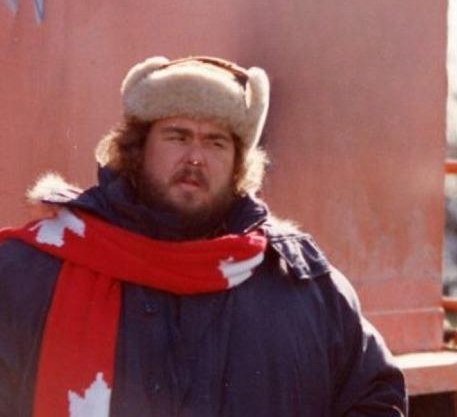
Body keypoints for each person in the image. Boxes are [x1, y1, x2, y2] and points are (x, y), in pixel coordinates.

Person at [0, 56, 406, 416]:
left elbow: (374, 394)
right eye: (177, 136)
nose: (195, 157)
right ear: (136, 150)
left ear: (237, 165)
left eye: (215, 142)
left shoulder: (301, 284)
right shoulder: (34, 270)